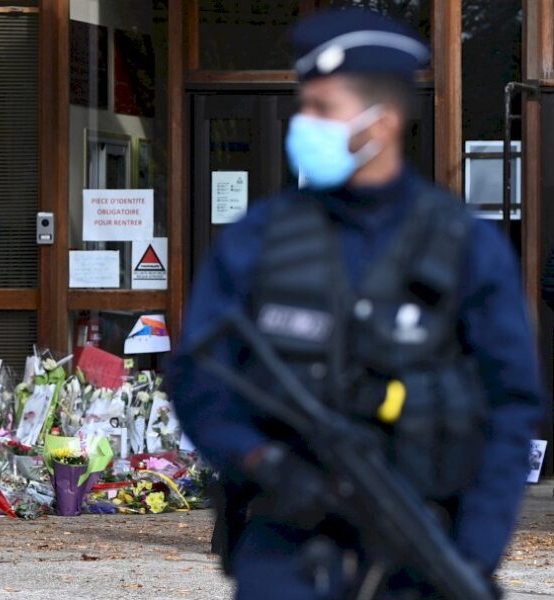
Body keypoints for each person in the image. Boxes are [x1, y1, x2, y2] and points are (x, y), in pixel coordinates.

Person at [170, 8, 544, 599]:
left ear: (384, 120)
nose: (305, 122)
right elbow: (196, 375)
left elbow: (510, 407)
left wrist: (474, 552)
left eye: (324, 109)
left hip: (424, 546)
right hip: (285, 547)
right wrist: (259, 458)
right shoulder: (259, 239)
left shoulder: (463, 246)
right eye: (306, 106)